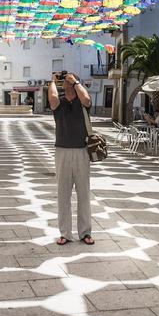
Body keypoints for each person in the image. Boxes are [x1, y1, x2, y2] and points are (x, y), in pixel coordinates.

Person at [49, 71, 94, 246]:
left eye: (70, 80)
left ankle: (85, 232)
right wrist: (52, 81)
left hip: (82, 150)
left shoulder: (82, 103)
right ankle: (65, 233)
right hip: (62, 151)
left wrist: (75, 81)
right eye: (65, 80)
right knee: (63, 194)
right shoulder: (59, 102)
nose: (66, 82)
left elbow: (87, 99)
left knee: (83, 193)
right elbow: (52, 98)